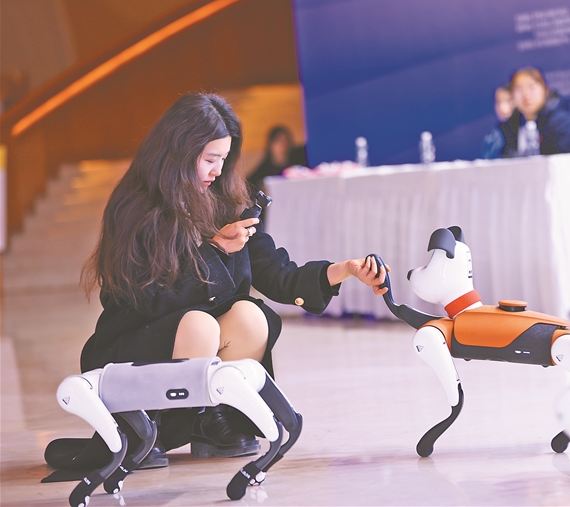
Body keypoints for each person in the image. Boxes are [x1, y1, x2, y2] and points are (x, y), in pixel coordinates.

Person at [46, 93, 388, 475]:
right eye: (210, 159)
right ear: (179, 151)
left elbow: (278, 275)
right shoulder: (136, 206)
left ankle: (213, 420)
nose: (217, 171)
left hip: (189, 346)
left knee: (249, 317)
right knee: (200, 324)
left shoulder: (228, 202)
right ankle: (143, 427)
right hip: (133, 344)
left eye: (224, 160)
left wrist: (343, 270)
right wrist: (213, 250)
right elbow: (148, 299)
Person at [499, 67, 570, 157]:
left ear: (545, 90)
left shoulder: (561, 123)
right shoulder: (508, 128)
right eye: (519, 89)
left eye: (532, 87)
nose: (526, 94)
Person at [246, 125, 304, 194]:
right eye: (279, 141)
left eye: (286, 141)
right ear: (271, 144)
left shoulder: (298, 161)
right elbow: (250, 184)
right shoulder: (264, 168)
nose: (283, 145)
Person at [480, 84, 514, 159]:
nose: (502, 107)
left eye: (509, 100)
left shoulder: (524, 130)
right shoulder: (494, 135)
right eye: (499, 101)